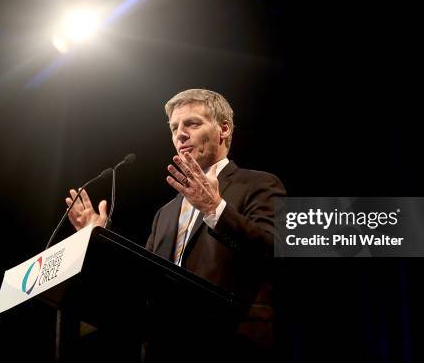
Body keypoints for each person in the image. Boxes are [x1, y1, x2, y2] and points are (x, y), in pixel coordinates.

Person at [66, 89, 286, 361]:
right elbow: (141, 277)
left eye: (192, 123)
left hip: (231, 344)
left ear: (224, 130)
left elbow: (276, 250)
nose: (180, 134)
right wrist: (100, 240)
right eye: (174, 128)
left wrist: (214, 209)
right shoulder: (165, 214)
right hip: (165, 348)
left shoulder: (259, 184)